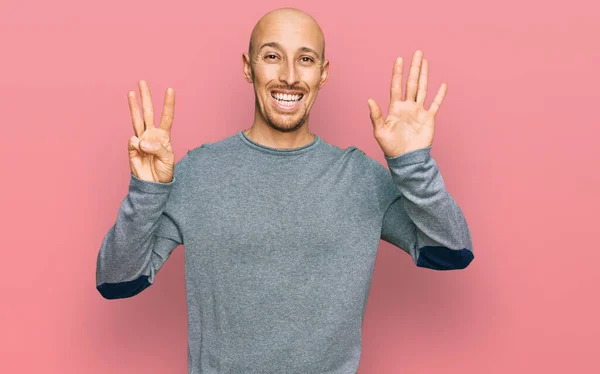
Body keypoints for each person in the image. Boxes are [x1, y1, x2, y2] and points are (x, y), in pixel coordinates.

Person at [95, 7, 474, 374]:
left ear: (323, 74)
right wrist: (146, 191)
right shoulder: (200, 172)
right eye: (273, 55)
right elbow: (117, 280)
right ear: (248, 67)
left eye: (305, 59)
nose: (290, 76)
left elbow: (451, 251)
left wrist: (413, 165)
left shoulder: (359, 178)